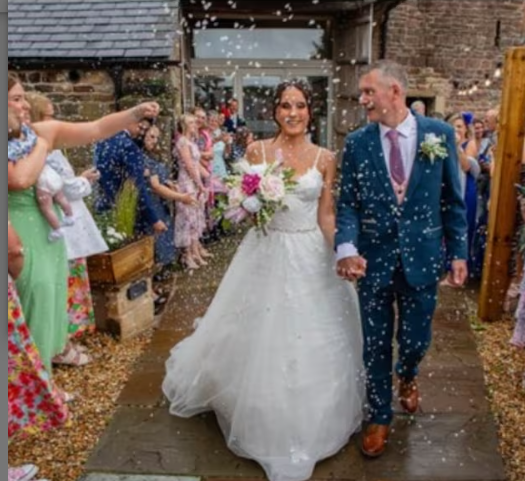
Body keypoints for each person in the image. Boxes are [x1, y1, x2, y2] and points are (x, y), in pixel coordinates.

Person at [163, 79, 365, 481]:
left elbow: (326, 214)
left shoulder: (325, 157)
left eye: (301, 106)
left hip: (310, 252)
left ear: (311, 111)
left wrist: (342, 253)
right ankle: (259, 409)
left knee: (315, 334)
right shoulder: (257, 150)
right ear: (275, 112)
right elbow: (244, 205)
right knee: (258, 332)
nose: (293, 113)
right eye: (286, 105)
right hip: (267, 250)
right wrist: (251, 204)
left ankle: (312, 416)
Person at [335, 60, 468, 458]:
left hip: (422, 260)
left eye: (368, 92)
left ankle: (407, 375)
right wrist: (347, 248)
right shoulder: (358, 143)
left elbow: (452, 202)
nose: (362, 100)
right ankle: (378, 415)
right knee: (374, 343)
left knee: (414, 339)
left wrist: (458, 252)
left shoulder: (439, 135)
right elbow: (348, 205)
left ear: (395, 91)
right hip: (372, 262)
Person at [8, 72, 159, 390]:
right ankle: (24, 389)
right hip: (18, 230)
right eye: (16, 99)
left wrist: (134, 114)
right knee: (29, 302)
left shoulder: (39, 131)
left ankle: (45, 381)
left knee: (50, 300)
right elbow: (20, 179)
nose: (24, 105)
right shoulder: (39, 138)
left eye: (23, 98)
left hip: (48, 233)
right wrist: (42, 146)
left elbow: (94, 129)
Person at [26, 93, 108, 361]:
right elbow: (63, 186)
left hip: (68, 221)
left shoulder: (52, 147)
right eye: (49, 115)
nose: (54, 120)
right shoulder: (42, 151)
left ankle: (64, 342)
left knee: (71, 283)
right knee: (65, 287)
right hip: (60, 224)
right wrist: (84, 180)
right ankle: (59, 346)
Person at [8, 109, 75, 243]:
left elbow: (19, 174)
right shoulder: (31, 138)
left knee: (46, 207)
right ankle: (70, 215)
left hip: (42, 180)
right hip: (53, 175)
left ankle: (57, 228)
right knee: (60, 196)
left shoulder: (12, 149)